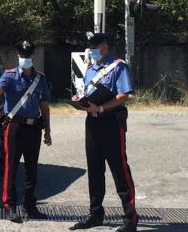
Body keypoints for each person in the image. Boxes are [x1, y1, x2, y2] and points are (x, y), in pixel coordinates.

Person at [70, 32, 138, 232]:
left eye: (95, 47)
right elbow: (87, 92)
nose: (92, 50)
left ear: (104, 46)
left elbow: (124, 95)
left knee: (120, 169)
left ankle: (130, 217)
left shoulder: (118, 66)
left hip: (111, 122)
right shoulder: (90, 68)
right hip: (92, 123)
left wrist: (100, 108)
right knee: (95, 169)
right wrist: (79, 99)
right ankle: (96, 214)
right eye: (90, 47)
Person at [0, 40, 52, 223]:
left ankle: (29, 205)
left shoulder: (40, 78)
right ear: (18, 56)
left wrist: (48, 131)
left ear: (32, 56)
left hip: (34, 126)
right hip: (15, 126)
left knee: (31, 169)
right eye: (21, 56)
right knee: (11, 166)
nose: (24, 59)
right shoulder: (9, 76)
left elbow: (44, 105)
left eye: (27, 56)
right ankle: (10, 205)